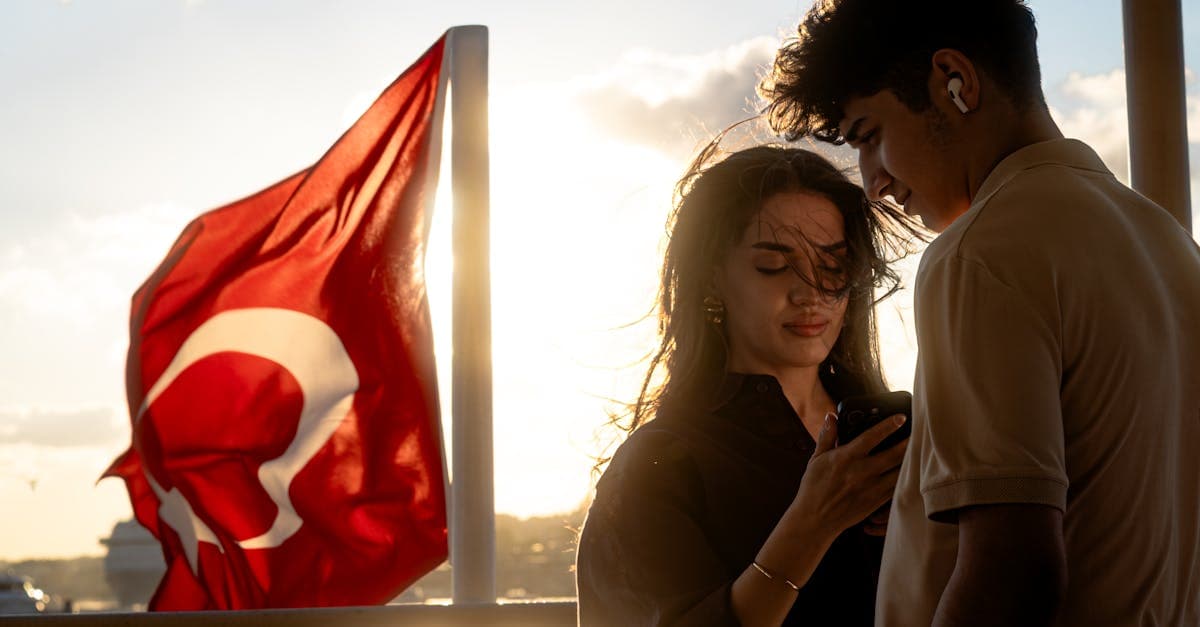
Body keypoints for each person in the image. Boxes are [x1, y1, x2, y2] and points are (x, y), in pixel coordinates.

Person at [760, 1, 1200, 625]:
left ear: (954, 81)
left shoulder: (978, 255)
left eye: (869, 135)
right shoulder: (1172, 246)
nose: (872, 182)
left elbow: (1012, 571)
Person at [576, 143, 924, 626]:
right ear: (712, 277)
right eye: (773, 266)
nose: (811, 294)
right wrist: (812, 524)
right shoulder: (660, 465)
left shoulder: (898, 436)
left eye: (831, 266)